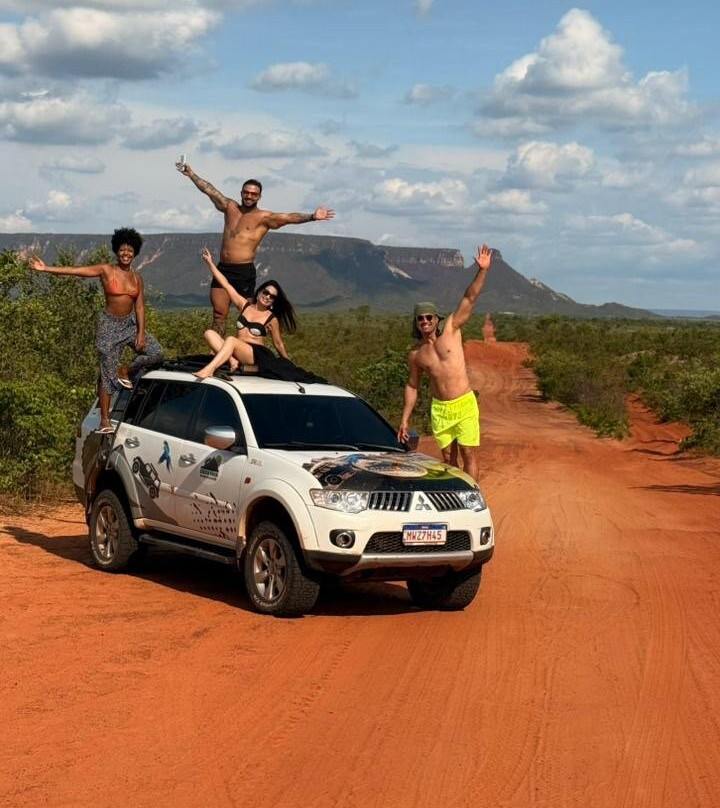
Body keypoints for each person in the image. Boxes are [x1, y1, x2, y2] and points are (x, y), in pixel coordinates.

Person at [29, 228, 163, 433]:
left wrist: (140, 332)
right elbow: (77, 271)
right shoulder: (106, 270)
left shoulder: (137, 278)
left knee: (156, 352)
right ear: (116, 251)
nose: (126, 253)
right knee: (107, 373)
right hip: (109, 326)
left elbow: (140, 307)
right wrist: (46, 268)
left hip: (130, 325)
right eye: (122, 250)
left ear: (135, 253)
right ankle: (105, 420)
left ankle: (125, 371)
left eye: (129, 250)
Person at [177, 162, 335, 336]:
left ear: (259, 197)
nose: (249, 196)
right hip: (223, 269)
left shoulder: (263, 218)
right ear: (241, 193)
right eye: (246, 192)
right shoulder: (230, 207)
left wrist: (312, 216)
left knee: (248, 315)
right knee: (219, 315)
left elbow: (288, 217)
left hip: (243, 271)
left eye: (254, 194)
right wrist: (191, 174)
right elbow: (209, 190)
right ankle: (217, 350)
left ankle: (248, 348)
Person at [397, 244, 495, 482]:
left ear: (436, 318)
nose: (424, 321)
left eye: (428, 317)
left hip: (464, 403)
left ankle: (472, 494)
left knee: (468, 453)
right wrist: (405, 419)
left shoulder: (452, 328)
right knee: (449, 458)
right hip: (440, 409)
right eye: (420, 319)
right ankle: (455, 495)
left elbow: (470, 297)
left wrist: (482, 270)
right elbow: (412, 386)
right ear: (416, 323)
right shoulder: (416, 354)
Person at [194, 247, 293, 378]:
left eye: (272, 296)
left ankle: (209, 369)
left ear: (274, 301)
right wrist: (210, 263)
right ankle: (232, 360)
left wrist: (289, 364)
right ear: (259, 292)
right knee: (209, 333)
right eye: (266, 292)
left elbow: (278, 344)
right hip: (237, 350)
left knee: (231, 340)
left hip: (255, 355)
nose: (268, 297)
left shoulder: (271, 319)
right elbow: (226, 284)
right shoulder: (245, 306)